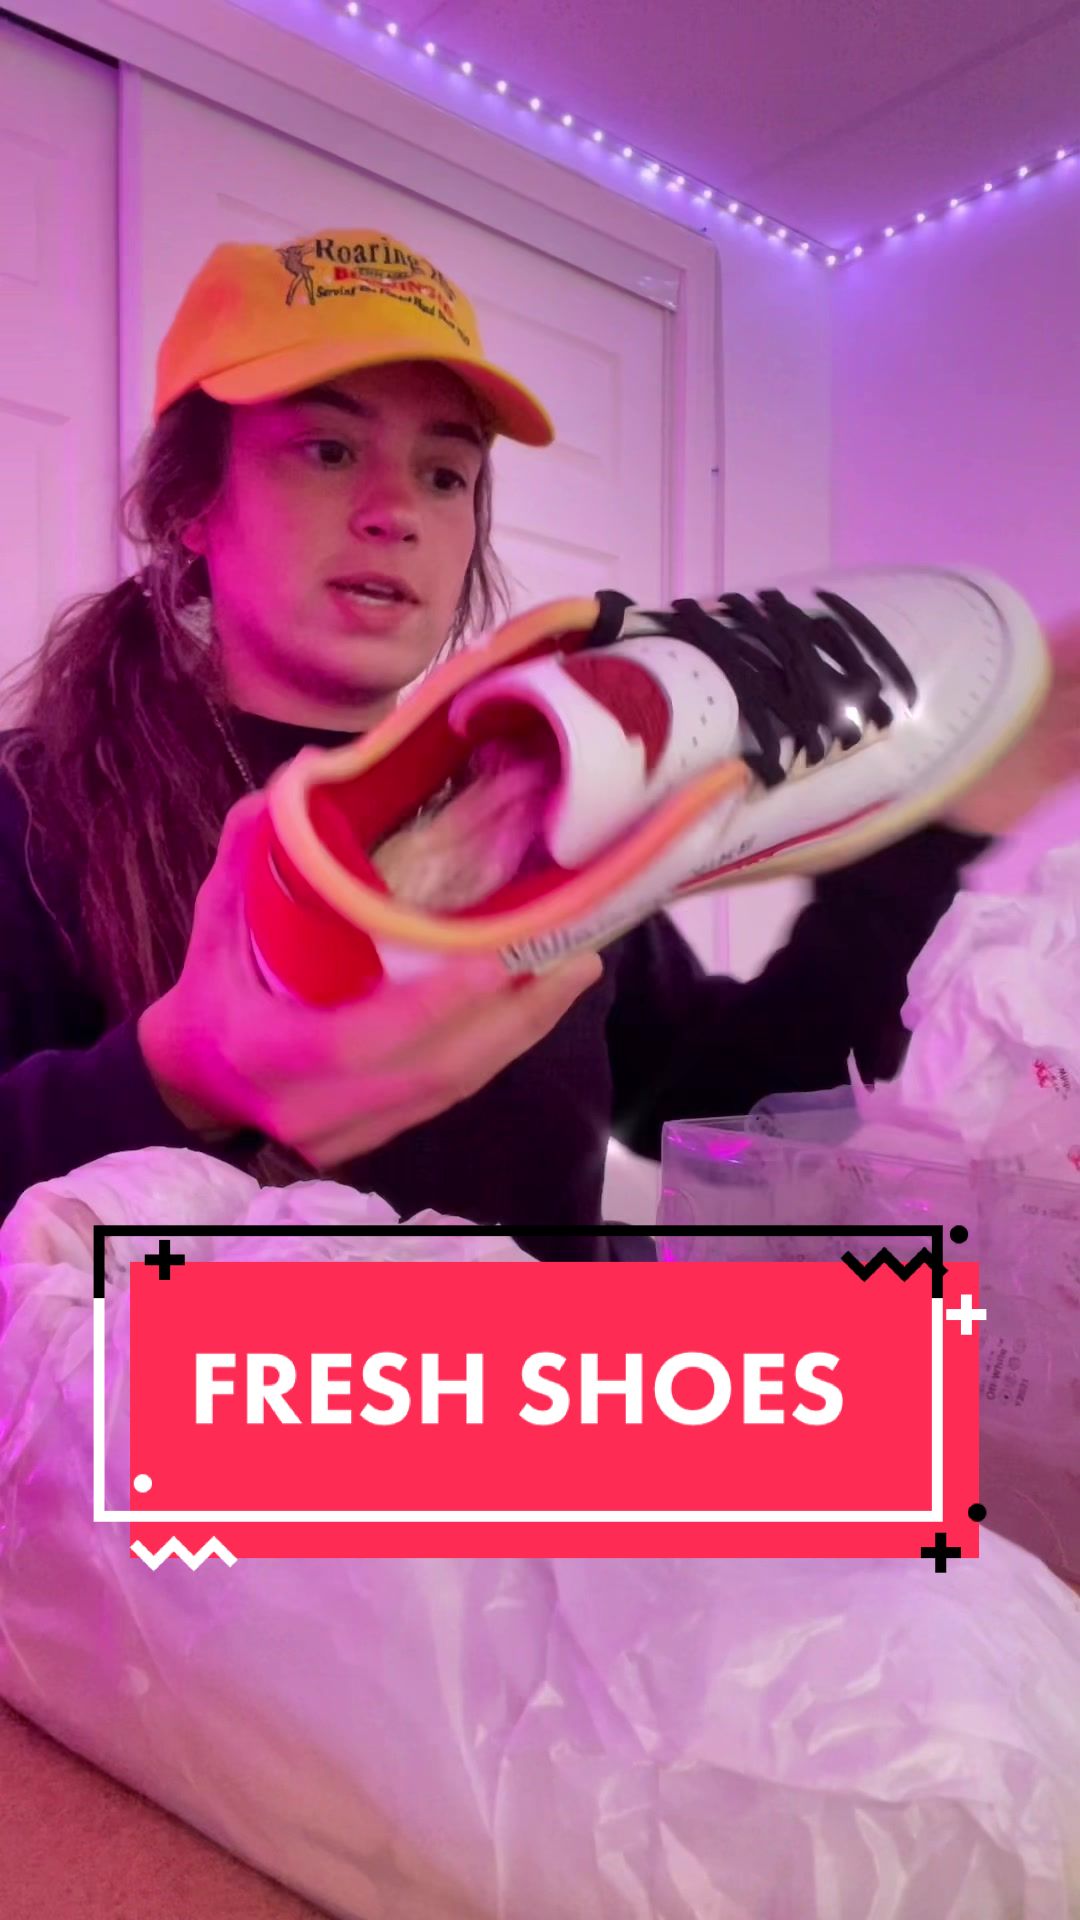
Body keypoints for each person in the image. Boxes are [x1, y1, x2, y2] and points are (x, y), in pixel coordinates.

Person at [0, 226, 1070, 1253]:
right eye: (328, 450)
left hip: (548, 1376)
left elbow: (734, 1095)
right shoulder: (34, 814)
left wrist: (930, 835)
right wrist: (180, 1074)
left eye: (445, 474)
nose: (395, 511)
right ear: (192, 504)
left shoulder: (532, 798)